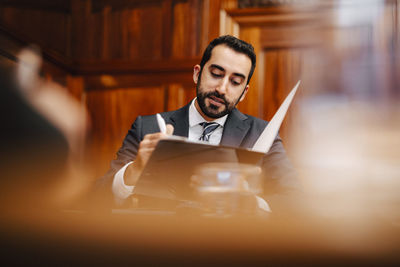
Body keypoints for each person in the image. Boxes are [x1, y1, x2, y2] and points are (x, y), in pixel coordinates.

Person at [98, 35, 299, 211]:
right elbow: (97, 197)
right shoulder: (146, 127)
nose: (221, 88)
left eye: (235, 82)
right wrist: (133, 171)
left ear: (244, 92)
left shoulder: (262, 134)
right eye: (216, 74)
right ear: (197, 73)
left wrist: (252, 203)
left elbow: (295, 199)